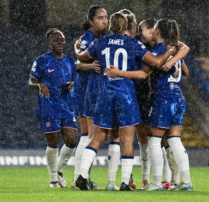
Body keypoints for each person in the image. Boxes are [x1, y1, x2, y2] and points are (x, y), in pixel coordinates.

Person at [74, 12, 177, 191]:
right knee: (127, 139)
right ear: (126, 27)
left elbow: (82, 57)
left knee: (98, 136)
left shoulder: (100, 41)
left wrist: (77, 48)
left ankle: (82, 176)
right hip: (126, 95)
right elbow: (156, 61)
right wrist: (169, 51)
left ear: (110, 25)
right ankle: (124, 182)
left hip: (105, 93)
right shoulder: (132, 43)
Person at [106, 18, 192, 191]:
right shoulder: (173, 48)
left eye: (153, 29)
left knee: (154, 140)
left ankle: (156, 182)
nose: (150, 31)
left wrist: (118, 72)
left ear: (158, 32)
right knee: (175, 139)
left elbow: (143, 74)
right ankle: (186, 181)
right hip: (178, 96)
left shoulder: (158, 51)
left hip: (164, 97)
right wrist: (173, 63)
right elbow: (186, 71)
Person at [72, 5, 120, 190]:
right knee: (88, 135)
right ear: (90, 20)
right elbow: (78, 64)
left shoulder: (100, 39)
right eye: (100, 18)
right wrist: (91, 66)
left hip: (92, 90)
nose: (105, 21)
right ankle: (80, 178)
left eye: (106, 17)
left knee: (88, 135)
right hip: (86, 90)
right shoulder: (88, 38)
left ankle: (82, 178)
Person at [28, 28, 77, 188]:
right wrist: (40, 84)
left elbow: (77, 81)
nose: (61, 43)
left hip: (67, 106)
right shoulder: (42, 61)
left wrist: (73, 84)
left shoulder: (70, 61)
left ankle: (58, 170)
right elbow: (30, 82)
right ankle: (53, 180)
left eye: (62, 40)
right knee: (53, 142)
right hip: (49, 106)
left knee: (71, 141)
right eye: (57, 40)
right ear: (50, 42)